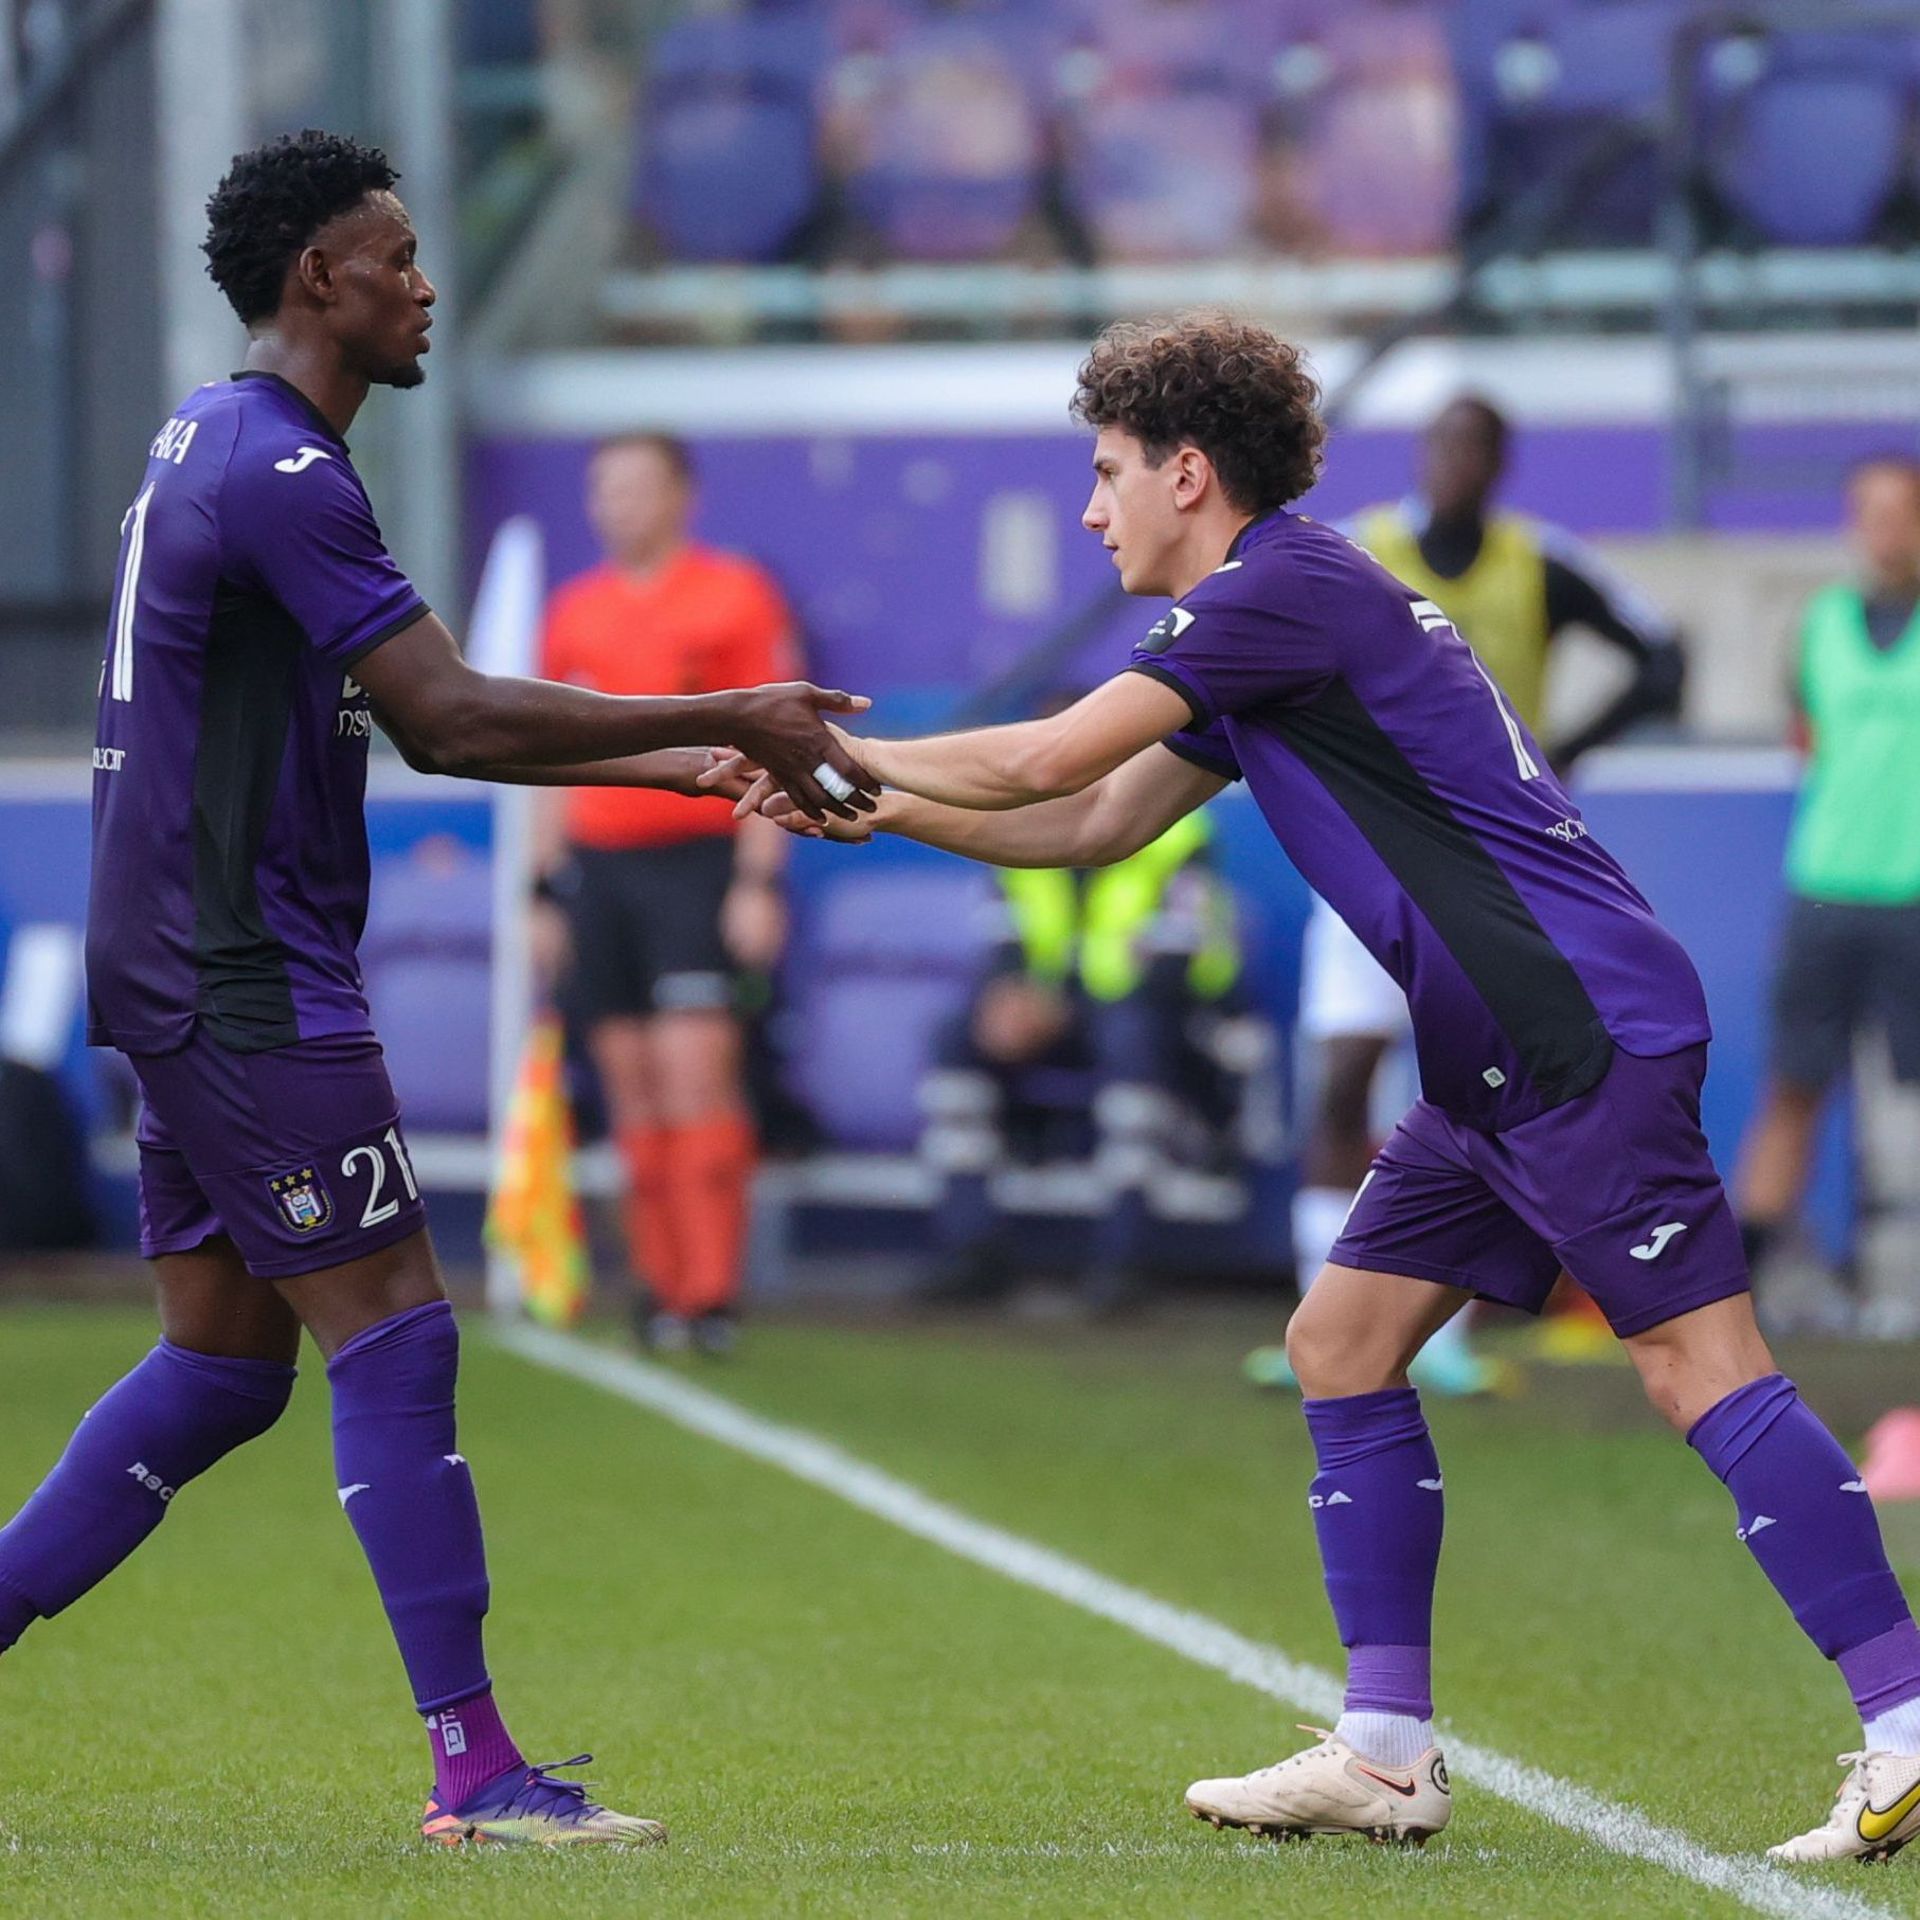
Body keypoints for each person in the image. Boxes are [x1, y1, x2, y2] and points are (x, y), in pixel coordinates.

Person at [718, 313, 1920, 1863]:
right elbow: (1088, 828)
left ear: (1189, 473)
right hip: (1497, 1042)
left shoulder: (1277, 588)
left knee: (1701, 1367)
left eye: (1106, 474)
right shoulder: (1278, 609)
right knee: (1340, 1342)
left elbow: (1038, 766)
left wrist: (825, 745)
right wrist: (864, 806)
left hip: (1566, 1028)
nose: (1094, 510)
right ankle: (1385, 1751)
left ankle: (1901, 1722)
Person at [0, 130, 872, 1849]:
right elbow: (445, 715)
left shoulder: (213, 437)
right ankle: (479, 1771)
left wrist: (702, 766)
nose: (422, 284)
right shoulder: (282, 467)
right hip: (240, 969)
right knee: (395, 1326)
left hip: (181, 959)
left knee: (225, 1364)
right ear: (316, 277)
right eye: (394, 256)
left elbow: (417, 717)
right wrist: (719, 726)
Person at [1259, 395, 1685, 1396]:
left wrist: (1565, 750)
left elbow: (1663, 654)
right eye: (1439, 443)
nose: (1452, 462)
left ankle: (1433, 1337)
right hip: (1364, 853)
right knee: (1341, 1078)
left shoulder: (1540, 560)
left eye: (1473, 447)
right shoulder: (1356, 549)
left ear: (1501, 462)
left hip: (1496, 872)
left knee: (1462, 1096)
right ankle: (1314, 1321)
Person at [536, 434, 796, 1354]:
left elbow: (779, 745)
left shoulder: (734, 596)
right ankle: (659, 1291)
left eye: (636, 487)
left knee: (698, 1079)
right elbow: (548, 760)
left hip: (699, 866)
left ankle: (712, 1294)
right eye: (603, 487)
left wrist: (759, 882)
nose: (616, 505)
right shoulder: (573, 612)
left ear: (681, 495)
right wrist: (544, 892)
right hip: (600, 876)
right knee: (632, 1092)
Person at [1734, 455, 1920, 1336]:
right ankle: (1749, 1281)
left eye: (1902, 512)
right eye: (1871, 513)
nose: (1887, 530)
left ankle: (1899, 1274)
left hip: (1915, 896)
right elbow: (1807, 736)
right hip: (1827, 890)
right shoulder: (1821, 624)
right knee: (1794, 1085)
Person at [919, 806, 1242, 1309]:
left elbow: (1176, 961)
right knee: (957, 1036)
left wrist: (1062, 1009)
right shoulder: (1021, 821)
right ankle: (973, 1251)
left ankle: (1123, 1263)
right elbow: (1003, 931)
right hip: (1051, 1022)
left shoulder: (1179, 830)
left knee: (1132, 1040)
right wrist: (1009, 995)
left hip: (1159, 1025)